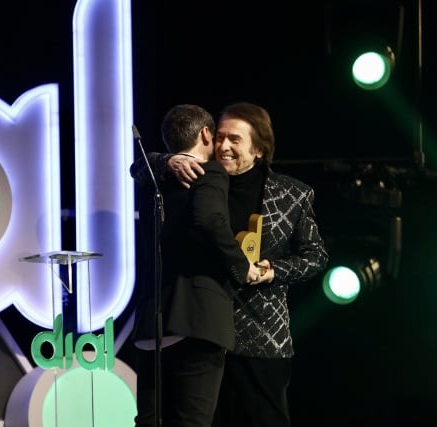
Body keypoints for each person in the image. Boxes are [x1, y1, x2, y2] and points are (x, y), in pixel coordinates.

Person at [132, 102, 329, 427]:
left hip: (259, 334)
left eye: (235, 140)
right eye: (220, 137)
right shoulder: (196, 177)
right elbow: (140, 168)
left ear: (259, 150)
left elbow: (316, 256)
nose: (224, 146)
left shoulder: (292, 195)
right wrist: (168, 159)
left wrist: (273, 271)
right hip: (200, 327)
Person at [131, 104, 263, 427]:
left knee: (148, 421)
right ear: (205, 134)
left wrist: (163, 161)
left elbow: (137, 166)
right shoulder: (211, 171)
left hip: (153, 322)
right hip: (198, 319)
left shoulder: (152, 176)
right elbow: (208, 219)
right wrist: (241, 266)